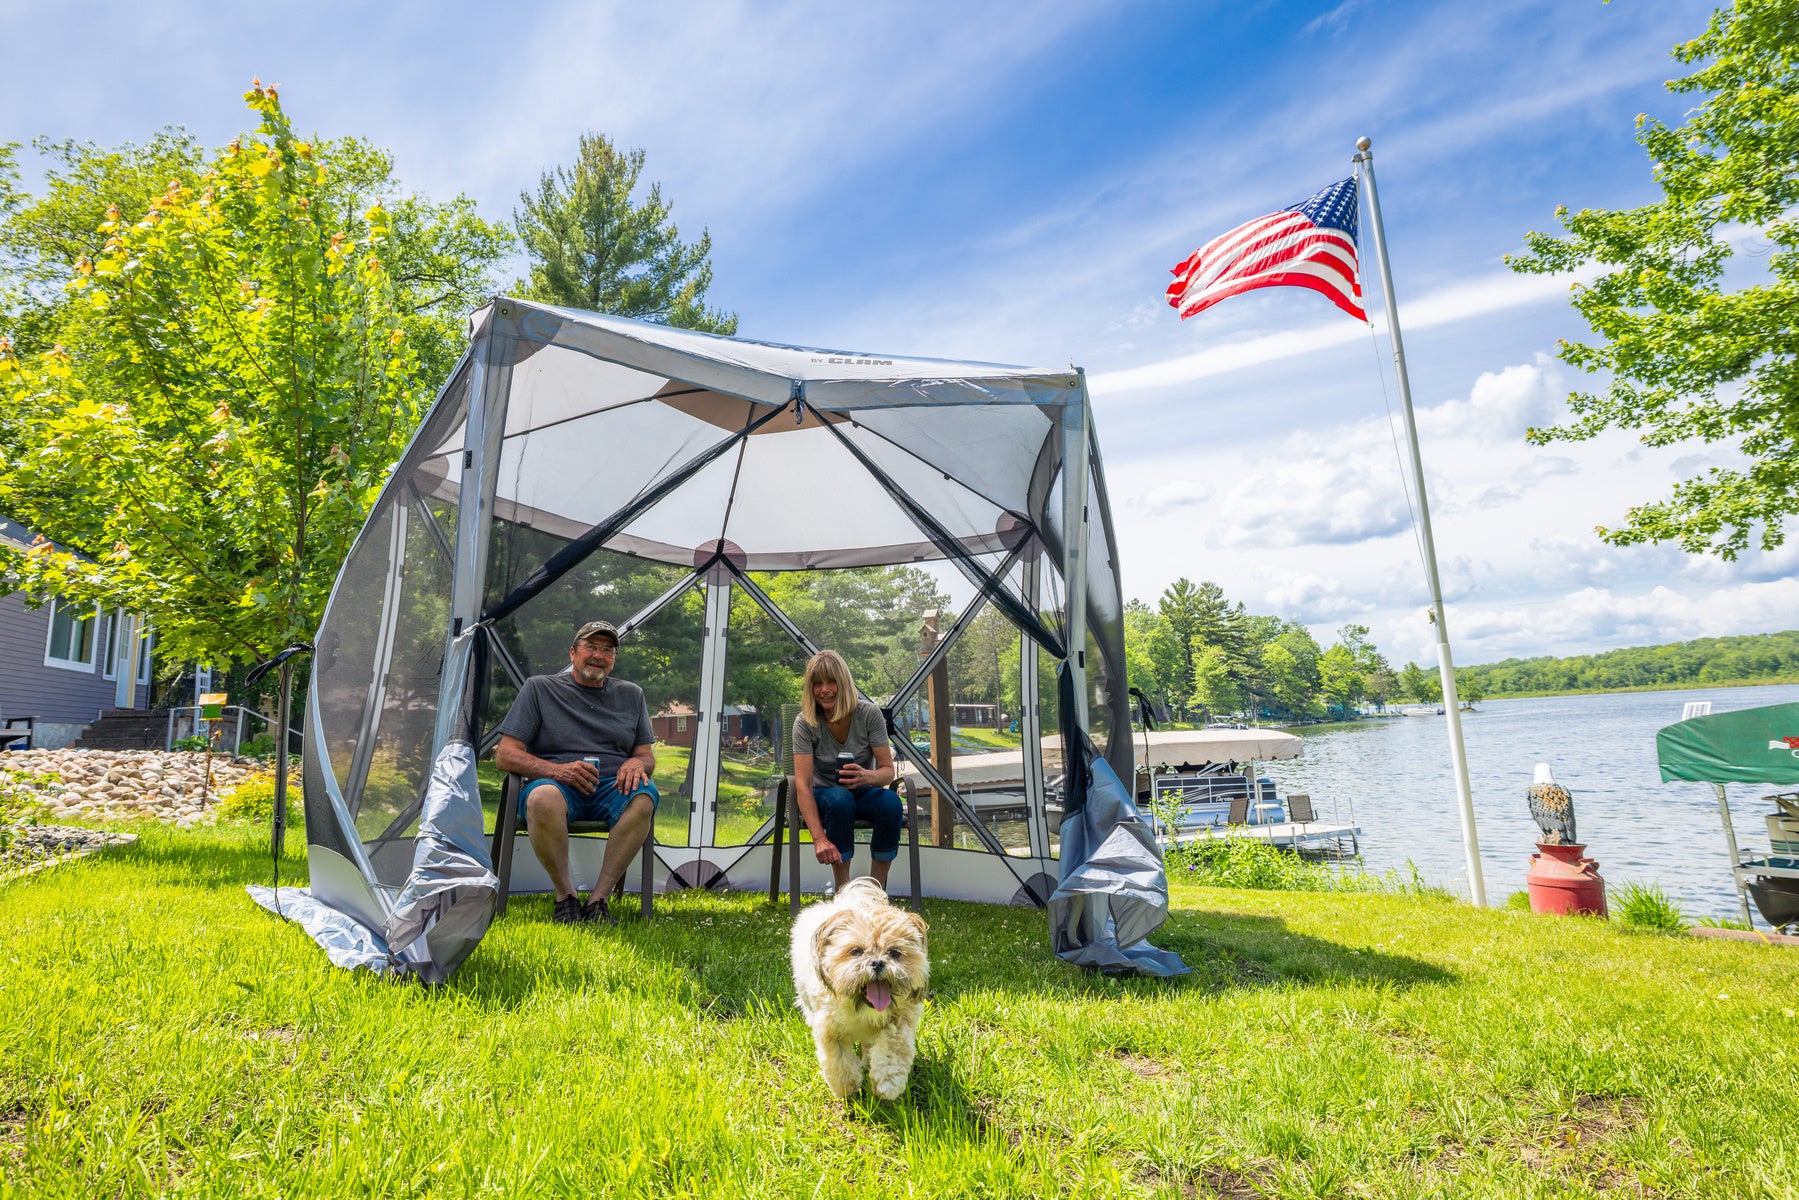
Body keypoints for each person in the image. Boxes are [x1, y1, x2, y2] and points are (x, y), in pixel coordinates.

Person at [494, 619, 658, 925]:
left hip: (612, 786)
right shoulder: (540, 688)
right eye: (591, 647)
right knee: (542, 797)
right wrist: (559, 772)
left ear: (614, 659)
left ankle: (598, 900)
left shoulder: (631, 694)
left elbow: (645, 755)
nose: (599, 655)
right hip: (557, 785)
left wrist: (638, 764)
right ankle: (566, 898)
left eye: (607, 650)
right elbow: (505, 755)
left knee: (644, 799)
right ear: (573, 653)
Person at [791, 649, 903, 893]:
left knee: (891, 802)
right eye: (817, 683)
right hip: (824, 796)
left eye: (831, 682)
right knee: (840, 799)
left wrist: (866, 776)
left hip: (862, 792)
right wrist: (819, 838)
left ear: (843, 683)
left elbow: (887, 772)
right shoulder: (804, 723)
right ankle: (843, 893)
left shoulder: (869, 714)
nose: (825, 689)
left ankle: (876, 892)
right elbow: (803, 785)